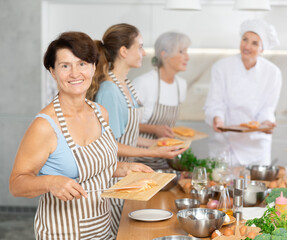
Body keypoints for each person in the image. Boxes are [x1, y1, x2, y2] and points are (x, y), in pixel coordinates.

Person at [9, 31, 153, 239]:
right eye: (65, 66)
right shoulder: (45, 126)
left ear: (93, 67)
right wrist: (50, 182)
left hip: (103, 226)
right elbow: (17, 184)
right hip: (62, 232)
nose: (75, 73)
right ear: (53, 72)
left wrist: (124, 168)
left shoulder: (100, 112)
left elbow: (95, 168)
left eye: (82, 64)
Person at [87, 24, 186, 235]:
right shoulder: (110, 90)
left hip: (127, 177)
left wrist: (158, 145)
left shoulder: (125, 85)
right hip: (113, 178)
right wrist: (153, 152)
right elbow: (110, 145)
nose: (144, 53)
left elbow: (128, 136)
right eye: (140, 47)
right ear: (124, 51)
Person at [204, 19, 282, 166]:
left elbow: (268, 107)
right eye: (245, 40)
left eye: (254, 43)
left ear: (262, 49)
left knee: (257, 187)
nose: (247, 46)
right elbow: (215, 103)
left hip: (256, 147)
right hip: (226, 144)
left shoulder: (273, 73)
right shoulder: (221, 67)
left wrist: (266, 123)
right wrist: (217, 118)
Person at [133, 31, 191, 169]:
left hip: (164, 160)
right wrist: (154, 129)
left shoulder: (181, 85)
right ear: (164, 54)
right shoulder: (143, 83)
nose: (187, 57)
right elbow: (124, 125)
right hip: (139, 160)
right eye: (181, 51)